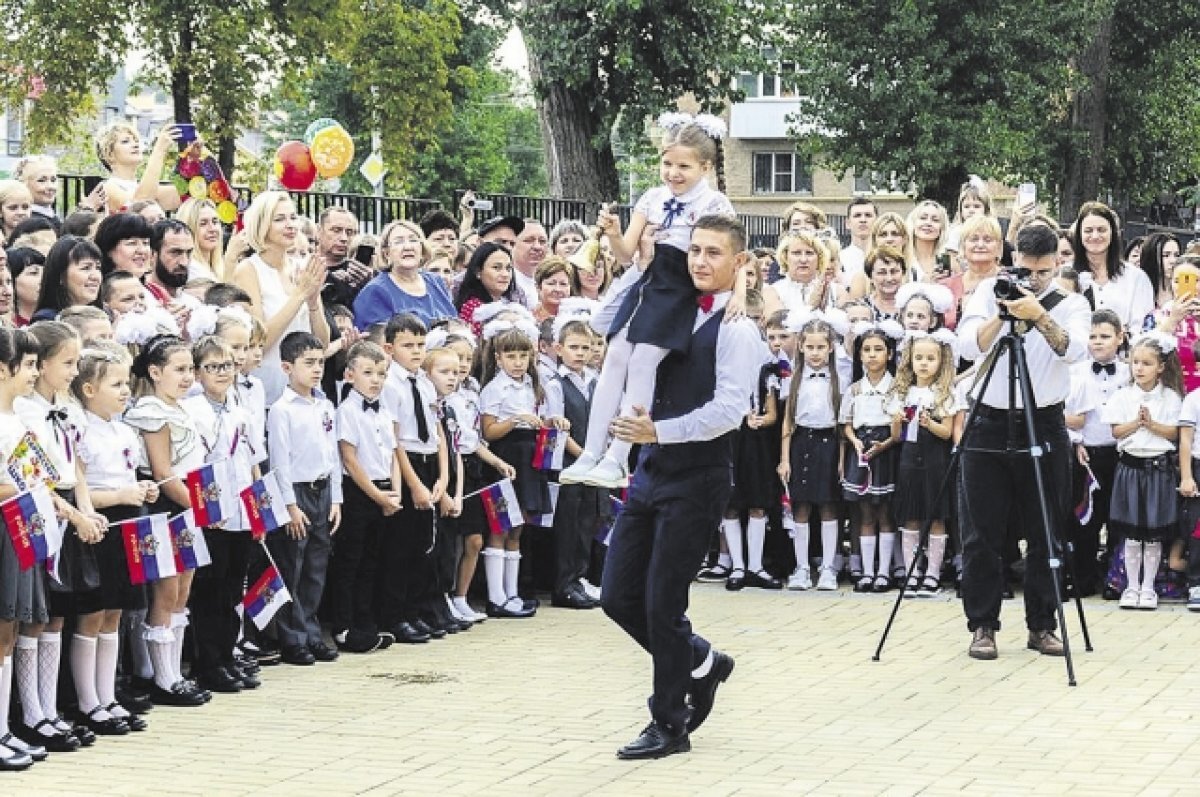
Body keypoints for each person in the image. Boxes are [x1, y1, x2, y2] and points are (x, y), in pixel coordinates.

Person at [599, 215, 759, 760]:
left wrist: (658, 432)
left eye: (714, 253)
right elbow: (602, 324)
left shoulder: (737, 329)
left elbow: (730, 410)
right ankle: (702, 661)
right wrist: (637, 267)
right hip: (648, 472)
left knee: (663, 602)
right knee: (617, 596)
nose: (699, 261)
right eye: (693, 250)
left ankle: (669, 722)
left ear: (738, 264)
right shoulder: (668, 306)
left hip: (698, 476)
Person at [561, 112, 738, 490]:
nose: (673, 173)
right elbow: (626, 255)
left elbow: (733, 255)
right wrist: (611, 235)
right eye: (667, 163)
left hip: (679, 287)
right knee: (615, 358)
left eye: (684, 166)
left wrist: (736, 294)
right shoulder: (652, 197)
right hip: (647, 280)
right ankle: (592, 450)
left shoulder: (715, 202)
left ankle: (617, 457)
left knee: (643, 362)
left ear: (705, 167)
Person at [956, 224, 1091, 660]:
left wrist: (1038, 313)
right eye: (1026, 270)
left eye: (1042, 272)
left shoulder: (1071, 303)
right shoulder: (986, 292)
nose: (1032, 280)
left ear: (1056, 264)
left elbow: (1072, 350)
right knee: (982, 532)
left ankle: (1042, 624)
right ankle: (982, 625)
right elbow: (968, 346)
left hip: (1044, 421)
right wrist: (1004, 312)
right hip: (988, 420)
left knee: (1046, 530)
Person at [122, 335, 210, 706]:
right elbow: (162, 471)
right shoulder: (150, 411)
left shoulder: (181, 408)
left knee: (183, 592)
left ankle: (174, 671)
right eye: (179, 369)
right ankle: (160, 677)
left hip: (188, 507)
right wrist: (197, 506)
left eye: (191, 368)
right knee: (166, 591)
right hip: (167, 508)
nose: (188, 376)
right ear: (155, 372)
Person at [182, 333, 260, 692]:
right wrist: (205, 508)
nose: (221, 373)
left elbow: (253, 462)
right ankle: (207, 661)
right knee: (210, 590)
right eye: (212, 367)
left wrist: (258, 510)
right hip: (214, 512)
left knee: (233, 589)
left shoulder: (241, 410)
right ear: (198, 373)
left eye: (226, 365)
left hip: (243, 509)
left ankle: (228, 656)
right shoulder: (193, 411)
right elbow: (195, 468)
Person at [479, 324, 567, 617]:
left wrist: (551, 422)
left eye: (522, 356)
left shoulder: (531, 384)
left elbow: (538, 420)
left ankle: (512, 593)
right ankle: (496, 597)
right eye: (511, 356)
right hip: (507, 455)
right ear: (499, 358)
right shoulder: (494, 388)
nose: (517, 362)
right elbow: (489, 431)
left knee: (519, 525)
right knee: (501, 525)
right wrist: (516, 419)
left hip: (529, 455)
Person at [266, 331, 342, 666]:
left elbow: (332, 455)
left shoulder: (324, 405)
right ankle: (291, 638)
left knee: (316, 566)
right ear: (286, 367)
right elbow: (280, 462)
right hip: (295, 493)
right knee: (292, 566)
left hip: (322, 489)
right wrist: (289, 506)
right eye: (308, 363)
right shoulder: (281, 410)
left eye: (320, 362)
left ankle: (311, 632)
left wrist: (336, 498)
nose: (316, 369)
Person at [379, 314, 449, 640]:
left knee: (425, 545)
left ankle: (416, 610)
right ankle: (394, 615)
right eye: (408, 346)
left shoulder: (423, 382)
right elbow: (394, 440)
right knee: (400, 548)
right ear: (390, 348)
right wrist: (414, 484)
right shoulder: (390, 384)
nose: (417, 352)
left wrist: (442, 476)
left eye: (421, 345)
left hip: (428, 461)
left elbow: (436, 430)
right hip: (405, 468)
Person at [1102, 333, 1182, 611]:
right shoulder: (1123, 396)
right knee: (1133, 534)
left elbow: (1174, 433)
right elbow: (1115, 431)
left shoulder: (1171, 398)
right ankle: (1131, 587)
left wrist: (1152, 425)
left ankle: (1148, 587)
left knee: (1153, 533)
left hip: (1158, 467)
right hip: (1131, 467)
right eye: (1135, 362)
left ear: (1160, 367)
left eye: (1146, 363)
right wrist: (1137, 422)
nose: (1139, 368)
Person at [331, 341, 400, 653]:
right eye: (368, 372)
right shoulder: (346, 411)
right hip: (360, 492)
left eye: (381, 373)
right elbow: (349, 459)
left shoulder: (384, 409)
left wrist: (394, 492)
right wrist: (376, 495)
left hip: (385, 489)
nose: (375, 379)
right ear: (349, 375)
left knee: (373, 561)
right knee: (351, 561)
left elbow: (393, 453)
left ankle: (366, 622)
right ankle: (344, 627)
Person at [233, 191, 330, 405]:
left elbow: (322, 343)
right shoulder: (248, 270)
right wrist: (299, 295)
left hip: (306, 393)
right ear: (261, 225)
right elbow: (259, 342)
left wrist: (313, 304)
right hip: (268, 392)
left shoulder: (302, 269)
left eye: (293, 217)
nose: (290, 225)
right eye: (279, 219)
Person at [0, 327, 45, 770]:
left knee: (12, 629)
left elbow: (38, 476)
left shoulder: (19, 418)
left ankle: (4, 727)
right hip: (5, 522)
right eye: (27, 365)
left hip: (24, 524)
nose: (34, 372)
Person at [778, 316, 849, 591]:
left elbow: (843, 423)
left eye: (821, 347)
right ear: (802, 347)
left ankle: (829, 567)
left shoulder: (838, 379)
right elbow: (787, 422)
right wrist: (784, 459)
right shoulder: (794, 379)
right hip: (801, 442)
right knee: (801, 505)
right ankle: (802, 567)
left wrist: (842, 459)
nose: (816, 353)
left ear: (830, 348)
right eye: (810, 347)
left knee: (829, 504)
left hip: (829, 442)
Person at [888, 331, 960, 594]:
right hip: (909, 460)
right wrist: (897, 422)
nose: (924, 363)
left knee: (936, 515)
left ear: (941, 361)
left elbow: (948, 433)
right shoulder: (903, 392)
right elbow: (896, 437)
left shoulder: (944, 393)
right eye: (919, 357)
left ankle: (932, 573)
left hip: (935, 460)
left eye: (930, 358)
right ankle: (911, 571)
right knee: (911, 516)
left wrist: (931, 423)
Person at [548, 318, 605, 608]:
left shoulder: (595, 380)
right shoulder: (555, 384)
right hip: (570, 465)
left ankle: (580, 578)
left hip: (593, 465)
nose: (580, 353)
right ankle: (564, 584)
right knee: (568, 525)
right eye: (573, 347)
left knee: (587, 522)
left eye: (586, 347)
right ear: (559, 348)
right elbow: (559, 429)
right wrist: (584, 455)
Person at [840, 321, 902, 592]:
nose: (873, 354)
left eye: (879, 349)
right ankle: (866, 572)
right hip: (862, 450)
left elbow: (898, 428)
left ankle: (884, 572)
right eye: (867, 349)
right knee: (864, 513)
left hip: (886, 450)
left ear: (889, 354)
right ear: (860, 355)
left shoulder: (896, 388)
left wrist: (883, 445)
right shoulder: (854, 389)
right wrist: (855, 443)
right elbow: (847, 423)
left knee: (885, 513)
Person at [721, 323, 782, 592]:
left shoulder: (765, 370)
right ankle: (736, 565)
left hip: (755, 441)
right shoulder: (722, 367)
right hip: (729, 438)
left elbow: (772, 413)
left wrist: (760, 420)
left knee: (758, 503)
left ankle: (755, 566)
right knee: (731, 504)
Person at [1071, 310, 1127, 598]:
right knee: (1086, 519)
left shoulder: (1130, 373)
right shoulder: (1077, 372)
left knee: (1117, 517)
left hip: (1119, 453)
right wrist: (1076, 442)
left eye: (1105, 336)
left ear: (1120, 337)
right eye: (1092, 337)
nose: (1097, 342)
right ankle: (1083, 577)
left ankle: (1115, 578)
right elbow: (1069, 412)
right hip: (1087, 453)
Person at [352, 220, 455, 328]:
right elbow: (377, 338)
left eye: (413, 240)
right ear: (386, 253)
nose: (408, 247)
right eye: (399, 242)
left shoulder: (436, 282)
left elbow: (455, 323)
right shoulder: (375, 291)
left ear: (422, 249)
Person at [1071, 201, 1153, 332]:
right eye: (1088, 231)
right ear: (1079, 234)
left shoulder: (1136, 277)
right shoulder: (1066, 275)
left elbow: (1142, 327)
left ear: (1113, 233)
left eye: (1101, 230)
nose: (1095, 236)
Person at [94, 122, 182, 214]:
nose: (135, 145)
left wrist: (192, 157)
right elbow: (140, 208)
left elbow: (188, 194)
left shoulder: (146, 189)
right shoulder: (108, 188)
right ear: (109, 154)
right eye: (125, 141)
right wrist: (159, 150)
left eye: (136, 141)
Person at [32, 235, 103, 322]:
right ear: (61, 276)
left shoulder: (105, 316)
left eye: (98, 268)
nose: (95, 276)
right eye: (86, 268)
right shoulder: (48, 320)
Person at [454, 242, 518, 336]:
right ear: (478, 272)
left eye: (508, 268)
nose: (505, 274)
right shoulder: (472, 309)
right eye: (497, 268)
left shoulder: (512, 304)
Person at [175, 199, 226, 282]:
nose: (212, 229)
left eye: (215, 222)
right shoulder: (190, 270)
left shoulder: (220, 266)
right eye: (203, 223)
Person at [94, 212, 154, 280]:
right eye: (132, 243)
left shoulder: (154, 289)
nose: (142, 250)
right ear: (109, 250)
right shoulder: (97, 289)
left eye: (146, 243)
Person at [512, 219, 549, 309]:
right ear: (513, 244)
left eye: (542, 241)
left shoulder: (555, 281)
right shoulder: (506, 281)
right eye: (529, 240)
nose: (537, 247)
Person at [840, 198, 877, 280]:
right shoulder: (839, 259)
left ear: (877, 221)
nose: (863, 220)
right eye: (857, 215)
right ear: (848, 223)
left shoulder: (887, 257)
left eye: (868, 215)